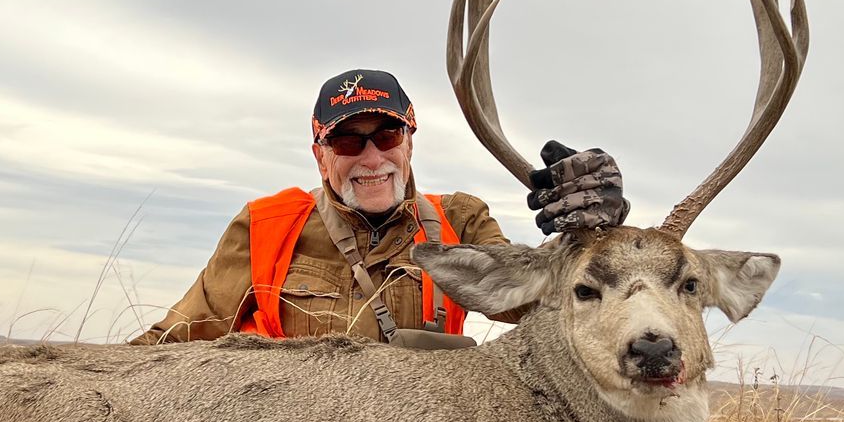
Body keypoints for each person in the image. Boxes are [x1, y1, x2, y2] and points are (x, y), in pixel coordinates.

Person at [135, 68, 628, 345]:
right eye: (348, 142)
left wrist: (590, 239)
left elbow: (546, 303)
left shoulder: (459, 220)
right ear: (319, 155)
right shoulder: (266, 227)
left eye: (387, 135)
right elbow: (172, 343)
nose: (372, 158)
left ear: (410, 143)